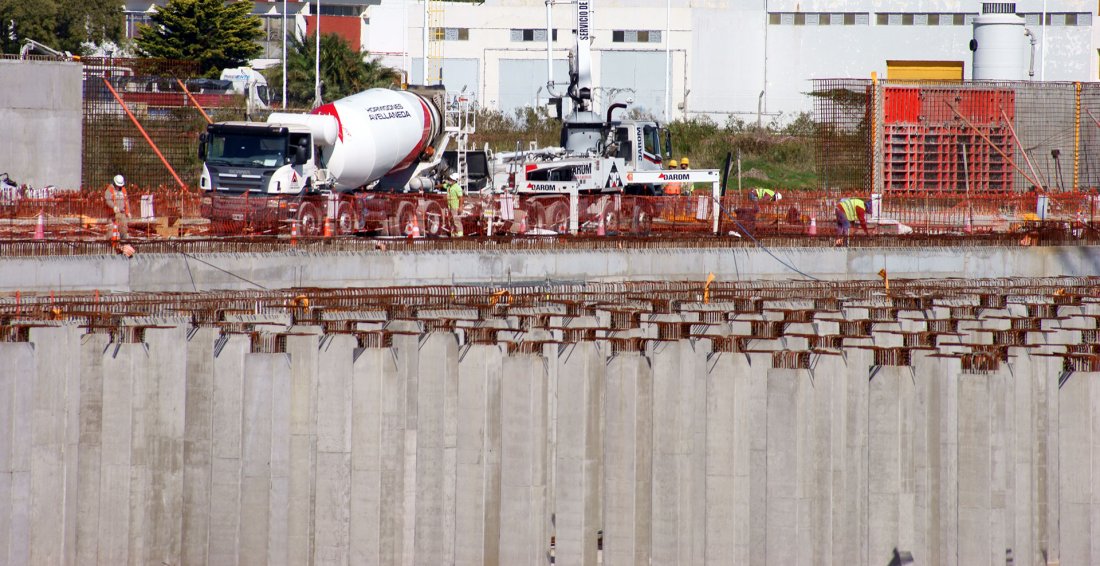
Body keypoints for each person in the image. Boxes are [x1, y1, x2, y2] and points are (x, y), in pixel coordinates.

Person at [104, 174, 131, 238]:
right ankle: (110, 244)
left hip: (122, 213)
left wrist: (128, 212)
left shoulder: (123, 190)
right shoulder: (109, 189)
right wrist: (114, 206)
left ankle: (123, 244)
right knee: (111, 230)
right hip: (112, 214)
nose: (119, 187)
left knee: (124, 230)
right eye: (118, 185)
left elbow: (126, 201)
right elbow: (108, 200)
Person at [444, 171, 464, 237]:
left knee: (457, 222)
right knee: (452, 221)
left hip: (455, 207)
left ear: (454, 180)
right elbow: (443, 185)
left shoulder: (457, 187)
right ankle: (453, 235)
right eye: (450, 179)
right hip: (450, 207)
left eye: (451, 179)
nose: (450, 180)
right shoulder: (449, 186)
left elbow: (461, 198)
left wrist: (460, 207)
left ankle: (460, 235)